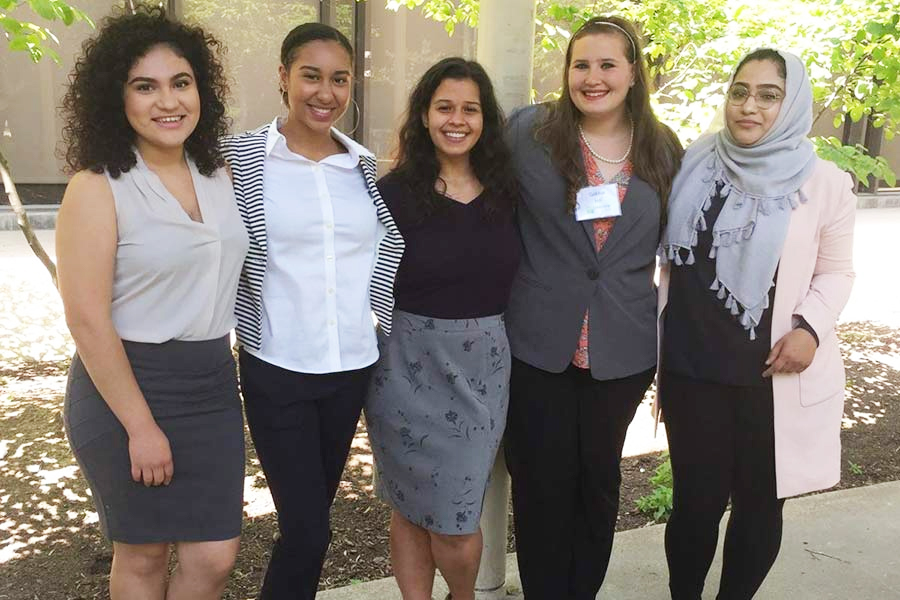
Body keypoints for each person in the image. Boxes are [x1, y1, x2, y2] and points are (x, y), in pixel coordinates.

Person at [56, 6, 248, 600]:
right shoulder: (96, 186)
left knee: (215, 556)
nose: (168, 101)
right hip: (126, 388)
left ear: (201, 91)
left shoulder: (216, 173)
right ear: (118, 98)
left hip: (212, 384)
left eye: (180, 82)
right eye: (145, 86)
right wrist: (140, 426)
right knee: (142, 555)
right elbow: (87, 320)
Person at [658, 48, 856, 599]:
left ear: (791, 104)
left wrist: (811, 328)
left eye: (769, 95)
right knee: (695, 506)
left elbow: (837, 272)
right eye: (740, 91)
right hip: (692, 369)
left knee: (759, 504)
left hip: (772, 376)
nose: (749, 106)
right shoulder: (693, 162)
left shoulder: (825, 183)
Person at [220, 23, 404, 599]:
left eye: (339, 79)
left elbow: (386, 254)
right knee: (308, 528)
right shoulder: (239, 159)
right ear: (283, 77)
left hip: (350, 366)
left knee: (309, 525)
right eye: (311, 76)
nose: (325, 92)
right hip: (277, 364)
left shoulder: (366, 168)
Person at [503, 15, 683, 600]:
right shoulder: (529, 132)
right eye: (582, 64)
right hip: (537, 343)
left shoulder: (663, 149)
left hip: (622, 351)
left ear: (633, 72)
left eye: (608, 64)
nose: (593, 77)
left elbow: (682, 249)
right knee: (539, 484)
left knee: (598, 481)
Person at [364, 57, 520, 600]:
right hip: (402, 366)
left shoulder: (508, 194)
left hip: (481, 369)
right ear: (425, 116)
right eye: (445, 107)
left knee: (455, 519)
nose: (457, 120)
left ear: (486, 119)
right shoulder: (392, 194)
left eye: (470, 109)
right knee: (408, 506)